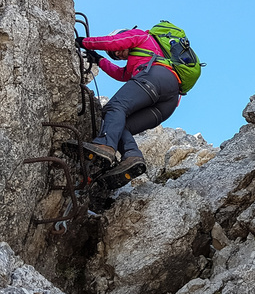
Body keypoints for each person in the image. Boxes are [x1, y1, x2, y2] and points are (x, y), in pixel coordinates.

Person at [64, 28, 181, 189]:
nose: (116, 55)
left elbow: (113, 42)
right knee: (120, 125)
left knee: (115, 107)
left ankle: (105, 146)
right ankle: (132, 156)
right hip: (167, 103)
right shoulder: (142, 58)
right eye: (114, 56)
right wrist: (99, 60)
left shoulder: (141, 36)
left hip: (155, 78)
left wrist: (83, 43)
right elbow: (121, 74)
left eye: (116, 52)